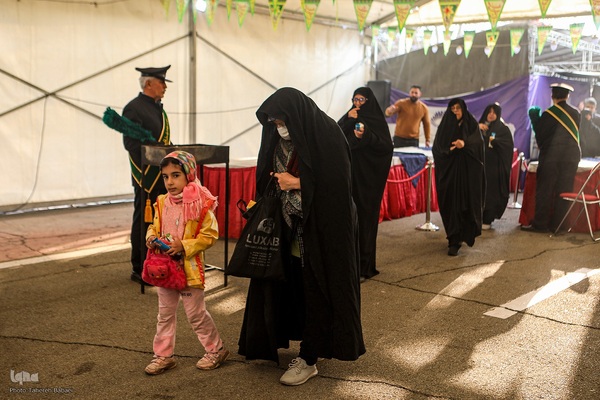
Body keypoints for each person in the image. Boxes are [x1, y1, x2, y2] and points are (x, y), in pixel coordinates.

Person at [238, 87, 365, 386]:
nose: (279, 127)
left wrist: (296, 182)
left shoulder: (327, 135)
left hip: (322, 229)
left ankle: (309, 357)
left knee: (317, 289)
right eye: (274, 123)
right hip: (286, 227)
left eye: (282, 121)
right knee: (291, 287)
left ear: (296, 116)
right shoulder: (279, 140)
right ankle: (284, 340)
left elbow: (338, 185)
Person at [144, 150, 229, 375]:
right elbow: (154, 226)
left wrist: (184, 245)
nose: (170, 182)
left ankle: (216, 350)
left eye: (176, 175)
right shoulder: (162, 202)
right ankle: (163, 356)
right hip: (165, 269)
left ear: (189, 175)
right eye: (165, 177)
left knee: (196, 314)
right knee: (164, 315)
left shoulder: (201, 203)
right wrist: (151, 237)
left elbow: (210, 235)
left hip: (189, 270)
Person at [122, 66, 172, 285]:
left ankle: (158, 263)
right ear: (149, 84)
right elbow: (131, 144)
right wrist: (154, 154)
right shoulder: (133, 108)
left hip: (162, 174)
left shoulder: (158, 109)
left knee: (161, 221)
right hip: (147, 177)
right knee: (144, 221)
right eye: (162, 82)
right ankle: (140, 266)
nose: (165, 87)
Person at [337, 87, 393, 279]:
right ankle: (348, 266)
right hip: (350, 178)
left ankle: (364, 266)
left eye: (362, 100)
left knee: (365, 221)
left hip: (369, 181)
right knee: (348, 220)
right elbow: (335, 138)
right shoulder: (350, 116)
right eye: (355, 99)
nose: (358, 103)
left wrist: (365, 136)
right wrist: (347, 119)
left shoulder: (376, 120)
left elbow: (385, 146)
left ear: (369, 101)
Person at [522, 83, 581, 233]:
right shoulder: (576, 113)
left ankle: (540, 224)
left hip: (552, 156)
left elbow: (541, 138)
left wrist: (535, 120)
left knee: (545, 190)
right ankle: (559, 225)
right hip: (572, 156)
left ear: (552, 95)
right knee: (564, 190)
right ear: (568, 96)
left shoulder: (548, 114)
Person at [432, 98, 485, 256]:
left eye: (458, 108)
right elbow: (437, 148)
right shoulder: (445, 125)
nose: (455, 111)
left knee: (465, 205)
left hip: (467, 173)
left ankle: (459, 238)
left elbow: (478, 143)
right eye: (452, 108)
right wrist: (448, 151)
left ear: (463, 109)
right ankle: (453, 238)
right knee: (450, 204)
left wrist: (465, 144)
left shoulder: (471, 123)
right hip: (449, 173)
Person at [478, 103, 514, 230]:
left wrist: (494, 141)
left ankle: (488, 218)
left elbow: (508, 146)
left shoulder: (502, 129)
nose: (491, 115)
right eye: (489, 112)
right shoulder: (478, 126)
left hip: (494, 169)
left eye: (494, 112)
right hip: (479, 167)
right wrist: (477, 129)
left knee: (491, 194)